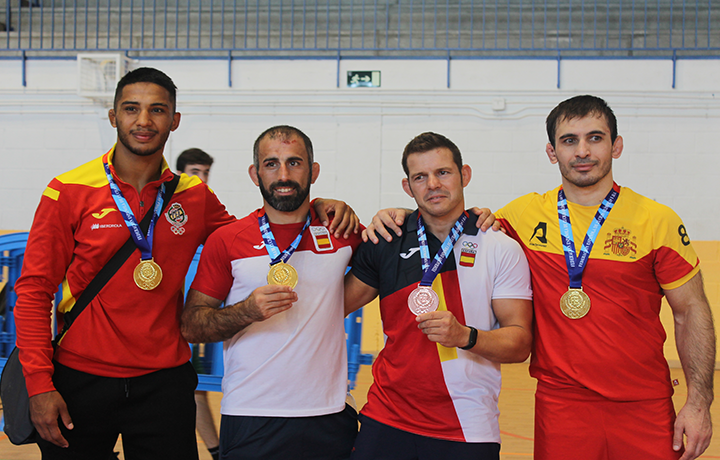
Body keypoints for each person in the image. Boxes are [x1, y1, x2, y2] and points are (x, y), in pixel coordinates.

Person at [13, 68, 359, 460]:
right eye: (131, 109)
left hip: (164, 384)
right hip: (81, 378)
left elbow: (254, 236)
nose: (144, 121)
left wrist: (312, 206)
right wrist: (40, 384)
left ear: (174, 120)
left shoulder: (194, 196)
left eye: (157, 110)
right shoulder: (68, 190)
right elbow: (34, 291)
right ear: (113, 117)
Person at [366, 96, 715, 460]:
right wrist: (400, 217)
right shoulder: (521, 216)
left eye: (595, 138)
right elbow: (444, 222)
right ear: (552, 152)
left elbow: (691, 312)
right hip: (561, 404)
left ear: (616, 145)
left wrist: (699, 402)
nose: (582, 151)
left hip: (644, 402)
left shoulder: (657, 221)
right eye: (569, 140)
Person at [344, 132, 533, 460]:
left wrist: (464, 336)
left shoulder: (500, 247)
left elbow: (519, 343)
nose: (432, 184)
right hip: (387, 418)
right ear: (408, 187)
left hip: (467, 425)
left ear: (465, 175)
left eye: (443, 172)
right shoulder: (387, 239)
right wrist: (323, 207)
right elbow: (329, 307)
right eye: (420, 177)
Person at [180, 125, 363, 460]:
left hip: (328, 413)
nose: (283, 174)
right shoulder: (228, 240)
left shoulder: (341, 230)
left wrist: (402, 213)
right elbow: (192, 324)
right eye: (271, 164)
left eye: (295, 163)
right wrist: (247, 310)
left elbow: (400, 247)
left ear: (314, 171)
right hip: (251, 414)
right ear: (255, 173)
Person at [176, 146, 221, 460]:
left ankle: (219, 452)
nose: (202, 179)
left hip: (193, 324)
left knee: (197, 390)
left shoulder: (205, 207)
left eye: (206, 172)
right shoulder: (162, 206)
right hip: (161, 323)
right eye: (196, 172)